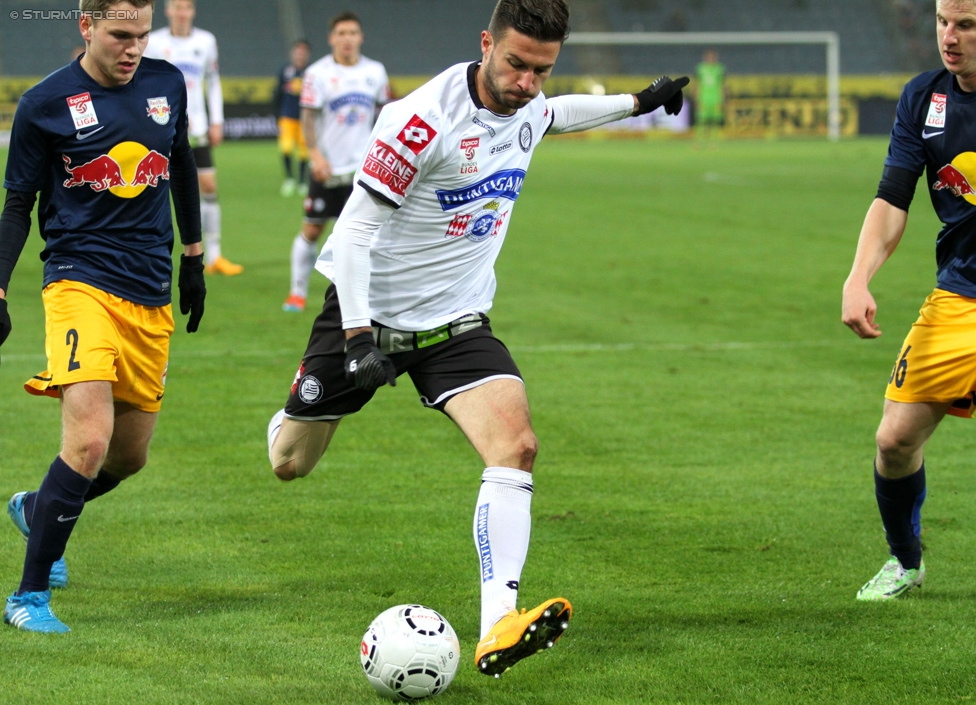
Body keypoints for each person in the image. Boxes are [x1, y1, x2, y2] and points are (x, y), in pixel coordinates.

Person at [267, 0, 687, 676]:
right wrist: (354, 338)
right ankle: (292, 408)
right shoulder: (419, 120)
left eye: (540, 70)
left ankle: (498, 624)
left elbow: (561, 113)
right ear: (486, 43)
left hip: (457, 323)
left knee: (515, 445)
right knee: (290, 460)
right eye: (516, 63)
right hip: (368, 318)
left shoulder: (529, 102)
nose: (526, 82)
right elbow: (351, 237)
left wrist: (640, 100)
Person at [0, 0, 205, 633]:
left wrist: (193, 257)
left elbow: (183, 164)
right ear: (85, 26)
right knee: (87, 441)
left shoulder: (167, 83)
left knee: (127, 457)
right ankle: (28, 598)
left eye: (141, 36)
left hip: (148, 292)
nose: (133, 49)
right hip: (78, 282)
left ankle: (40, 508)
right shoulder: (44, 104)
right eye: (120, 35)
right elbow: (17, 204)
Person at [842, 0, 976, 601]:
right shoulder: (924, 98)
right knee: (895, 441)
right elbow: (893, 196)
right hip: (961, 297)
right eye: (944, 22)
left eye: (967, 25)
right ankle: (906, 560)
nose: (950, 37)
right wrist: (859, 276)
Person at [282, 12, 389, 313]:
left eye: (352, 32)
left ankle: (368, 298)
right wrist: (315, 155)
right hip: (328, 168)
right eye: (341, 33)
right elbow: (307, 118)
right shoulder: (317, 73)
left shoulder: (375, 72)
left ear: (360, 37)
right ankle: (296, 293)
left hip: (364, 172)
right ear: (332, 38)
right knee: (313, 229)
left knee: (369, 235)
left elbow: (384, 117)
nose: (347, 38)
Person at [145, 0, 241, 276]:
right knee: (154, 190)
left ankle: (214, 256)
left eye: (187, 7)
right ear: (168, 10)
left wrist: (217, 120)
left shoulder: (206, 41)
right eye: (177, 6)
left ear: (193, 11)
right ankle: (153, 252)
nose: (182, 12)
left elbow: (212, 81)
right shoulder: (154, 42)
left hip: (196, 127)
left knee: (208, 186)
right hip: (163, 128)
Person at [273, 39, 311, 198]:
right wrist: (277, 115)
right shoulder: (286, 71)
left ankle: (302, 181)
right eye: (297, 51)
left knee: (304, 151)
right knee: (286, 148)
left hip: (304, 118)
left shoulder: (311, 72)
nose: (300, 54)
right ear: (293, 53)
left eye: (303, 51)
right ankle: (289, 179)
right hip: (287, 117)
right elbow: (277, 94)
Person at [695, 48, 725, 140]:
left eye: (713, 56)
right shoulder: (700, 69)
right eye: (709, 56)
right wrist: (697, 98)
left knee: (715, 120)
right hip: (704, 98)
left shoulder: (720, 69)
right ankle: (699, 140)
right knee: (701, 120)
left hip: (716, 98)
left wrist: (723, 98)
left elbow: (723, 85)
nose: (711, 58)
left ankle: (714, 140)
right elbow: (697, 84)